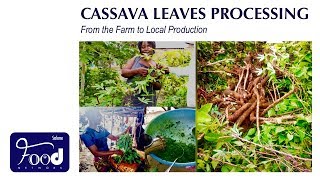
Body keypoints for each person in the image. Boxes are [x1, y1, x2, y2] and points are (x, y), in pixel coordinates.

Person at [121, 41, 169, 107]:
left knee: (146, 116)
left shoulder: (156, 65)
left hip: (148, 99)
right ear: (140, 49)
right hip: (131, 96)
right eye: (143, 47)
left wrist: (152, 79)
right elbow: (123, 73)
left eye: (149, 46)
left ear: (153, 48)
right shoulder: (135, 59)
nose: (146, 49)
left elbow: (158, 87)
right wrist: (137, 71)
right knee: (129, 115)